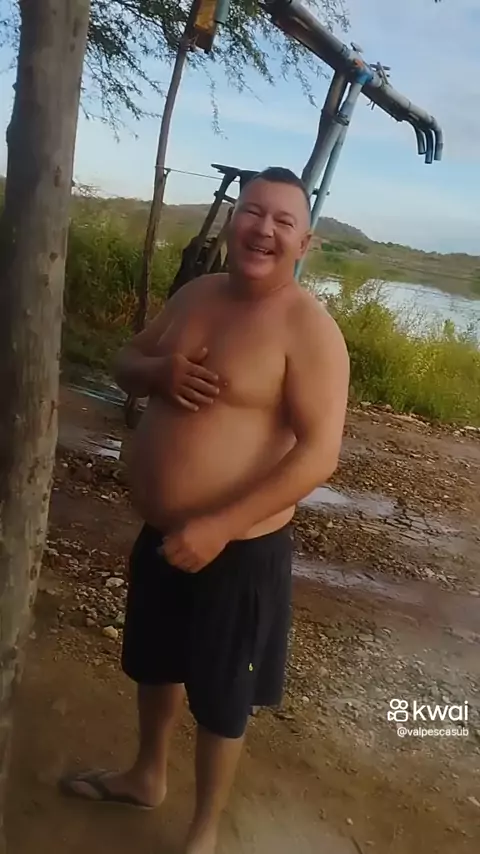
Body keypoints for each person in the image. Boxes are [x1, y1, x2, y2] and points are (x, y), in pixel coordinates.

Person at [60, 167, 350, 854]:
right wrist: (158, 372)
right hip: (163, 533)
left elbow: (319, 456)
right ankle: (146, 775)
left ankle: (203, 833)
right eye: (253, 212)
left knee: (222, 697)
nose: (263, 229)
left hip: (240, 549)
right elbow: (125, 363)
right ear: (233, 221)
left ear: (304, 242)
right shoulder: (196, 295)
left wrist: (219, 526)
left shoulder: (310, 330)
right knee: (154, 663)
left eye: (283, 220)